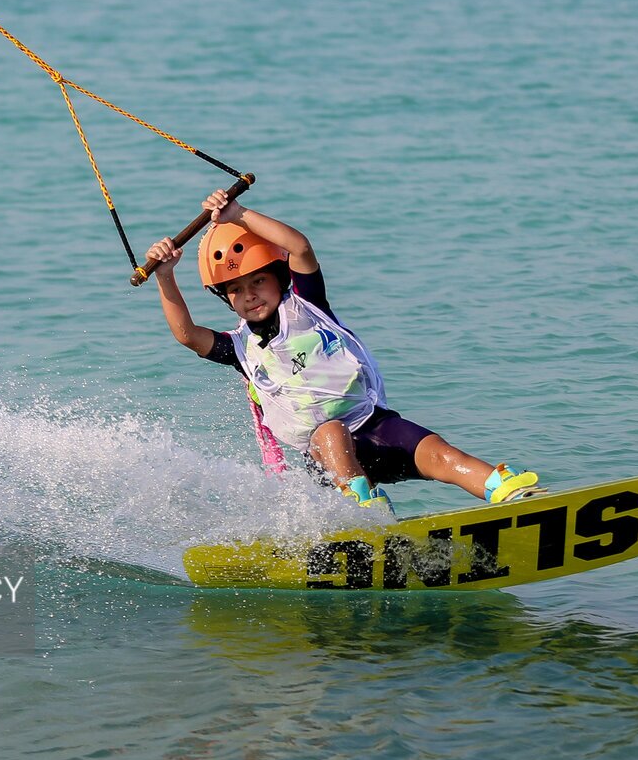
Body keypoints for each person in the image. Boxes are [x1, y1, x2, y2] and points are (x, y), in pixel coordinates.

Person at [145, 188, 540, 516]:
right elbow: (187, 335)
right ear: (225, 298)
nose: (249, 295)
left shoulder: (307, 305)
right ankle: (367, 515)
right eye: (235, 289)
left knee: (440, 453)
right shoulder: (240, 348)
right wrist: (165, 276)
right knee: (330, 432)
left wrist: (238, 213)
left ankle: (511, 494)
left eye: (258, 281)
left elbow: (298, 246)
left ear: (279, 278)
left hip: (376, 426)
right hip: (328, 458)